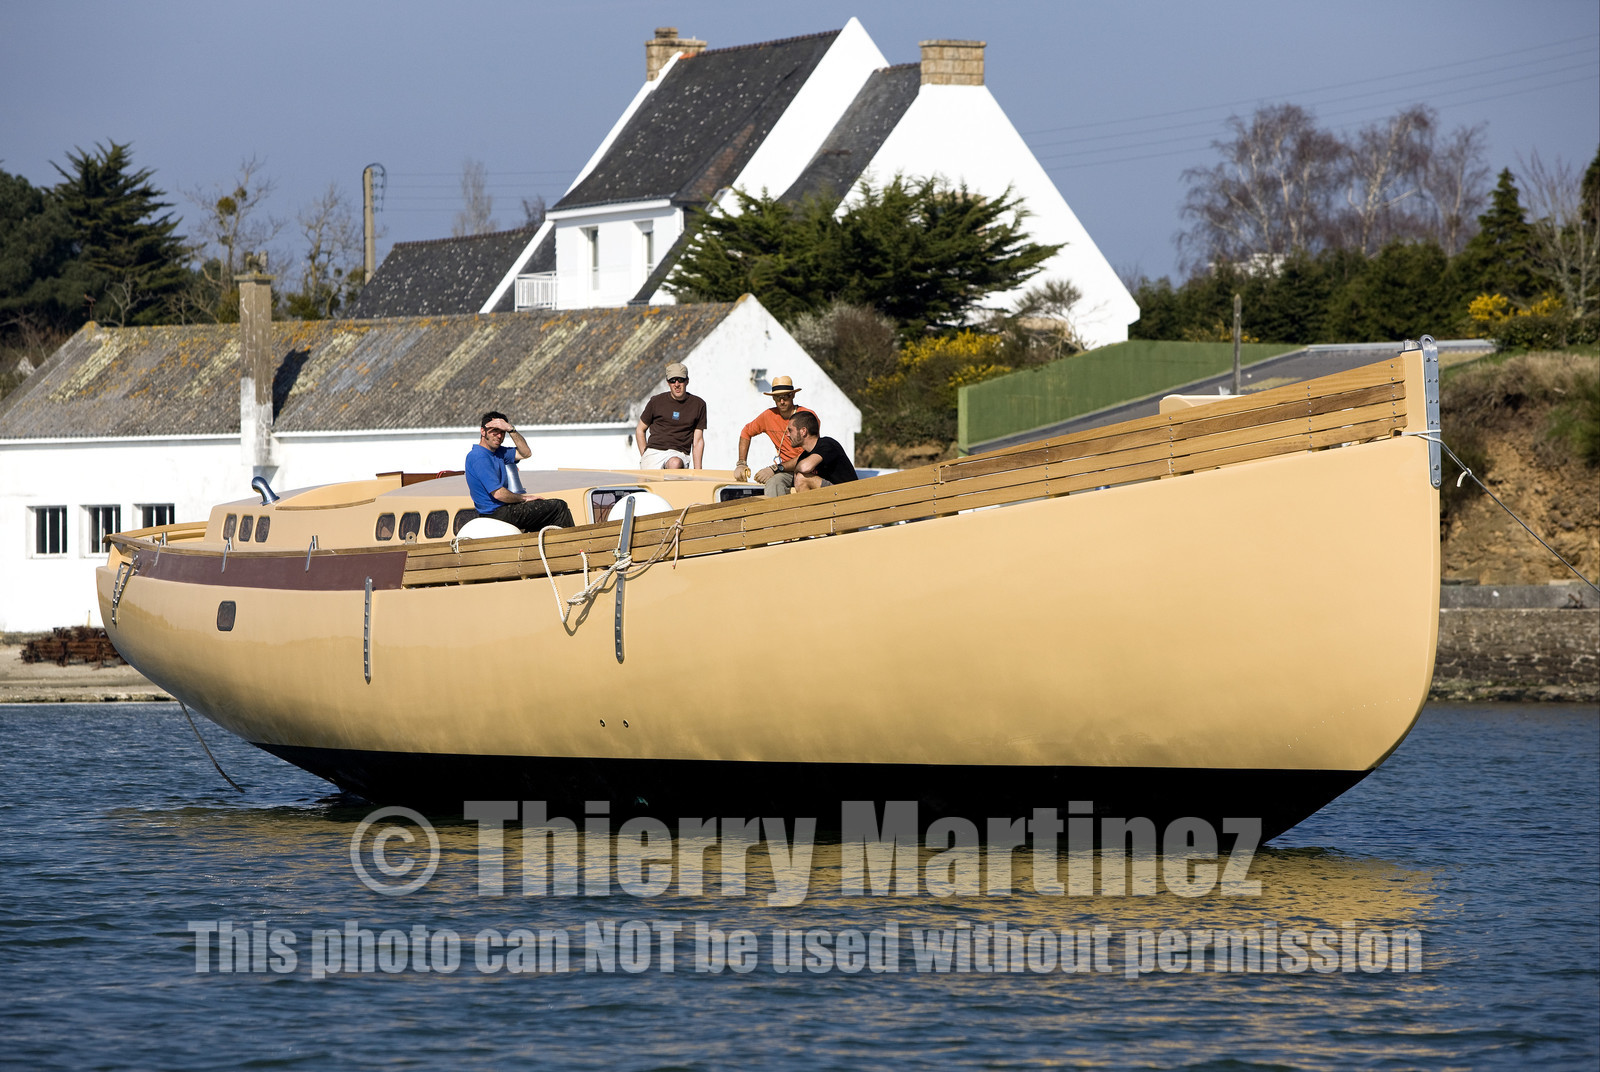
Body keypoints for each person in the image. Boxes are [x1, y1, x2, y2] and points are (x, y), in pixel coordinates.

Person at [464, 412, 574, 531]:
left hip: (504, 509)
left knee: (546, 515)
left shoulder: (498, 452)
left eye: (502, 432)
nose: (499, 436)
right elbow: (499, 494)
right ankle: (572, 544)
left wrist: (511, 430)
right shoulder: (479, 457)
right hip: (495, 514)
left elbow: (526, 453)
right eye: (495, 431)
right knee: (558, 507)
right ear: (483, 431)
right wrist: (524, 498)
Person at [733, 375, 816, 497]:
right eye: (777, 397)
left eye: (785, 397)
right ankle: (776, 515)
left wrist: (774, 469)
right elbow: (746, 432)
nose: (781, 401)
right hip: (787, 471)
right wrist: (741, 463)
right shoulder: (769, 415)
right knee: (774, 483)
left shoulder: (807, 416)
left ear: (793, 395)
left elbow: (810, 454)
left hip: (811, 468)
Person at [635, 362, 706, 468]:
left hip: (679, 453)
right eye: (672, 381)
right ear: (668, 382)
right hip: (653, 452)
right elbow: (640, 429)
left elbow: (698, 440)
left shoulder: (698, 404)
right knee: (650, 481)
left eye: (680, 380)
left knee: (675, 463)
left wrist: (698, 472)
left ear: (687, 381)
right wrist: (644, 455)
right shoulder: (656, 401)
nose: (676, 384)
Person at [786, 410, 858, 492]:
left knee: (802, 478)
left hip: (849, 495)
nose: (787, 435)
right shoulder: (804, 456)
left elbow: (805, 467)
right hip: (833, 497)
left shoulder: (827, 444)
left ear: (803, 431)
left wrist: (796, 468)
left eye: (790, 430)